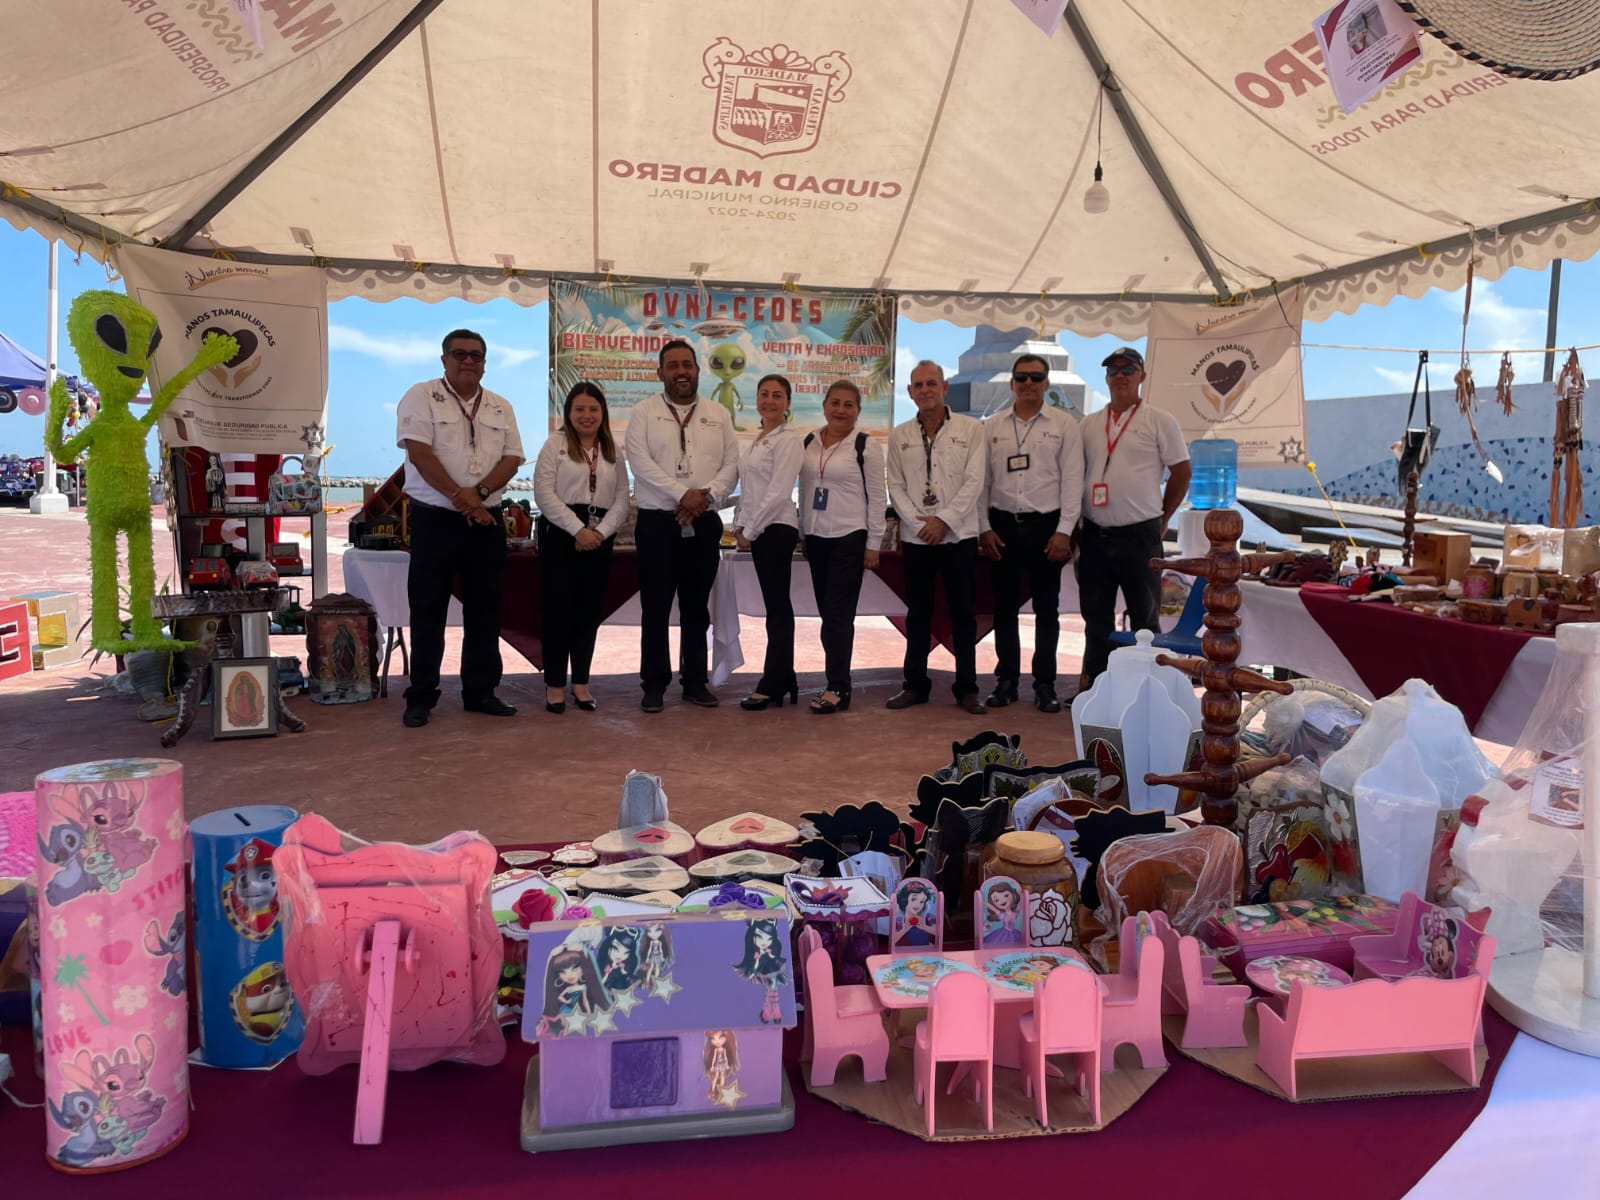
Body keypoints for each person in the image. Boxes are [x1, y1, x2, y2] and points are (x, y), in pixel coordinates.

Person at [394, 329, 524, 728]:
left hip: (485, 521)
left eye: (476, 356)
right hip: (435, 520)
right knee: (428, 611)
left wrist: (478, 494)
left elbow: (512, 459)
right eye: (460, 354)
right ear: (444, 359)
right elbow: (419, 453)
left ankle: (480, 692)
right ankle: (421, 696)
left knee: (485, 611)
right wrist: (461, 498)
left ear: (484, 363)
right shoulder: (421, 396)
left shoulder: (500, 405)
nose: (468, 361)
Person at [624, 339, 740, 712]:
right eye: (672, 366)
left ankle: (694, 682)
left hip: (703, 522)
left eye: (687, 365)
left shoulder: (718, 414)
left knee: (696, 609)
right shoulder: (643, 412)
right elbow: (640, 463)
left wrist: (706, 497)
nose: (681, 372)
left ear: (697, 370)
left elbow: (732, 464)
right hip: (657, 523)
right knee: (655, 608)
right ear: (660, 372)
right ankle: (654, 684)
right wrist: (682, 494)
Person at [1076, 346, 1191, 689]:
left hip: (1140, 537)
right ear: (1106, 378)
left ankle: (1149, 689)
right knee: (1095, 619)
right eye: (1113, 370)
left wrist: (1163, 518)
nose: (1120, 376)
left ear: (1142, 376)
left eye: (1128, 369)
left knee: (1145, 620)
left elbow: (1182, 472)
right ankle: (1095, 688)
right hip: (1094, 535)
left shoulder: (1159, 420)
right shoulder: (1089, 424)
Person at [977, 353, 1084, 712]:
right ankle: (1006, 681)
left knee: (1047, 611)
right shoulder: (990, 427)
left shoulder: (1064, 425)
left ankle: (1044, 684)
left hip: (1046, 527)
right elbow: (981, 483)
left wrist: (1064, 531)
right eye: (1021, 377)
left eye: (1036, 378)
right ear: (1011, 383)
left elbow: (1073, 482)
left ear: (1046, 384)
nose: (1028, 383)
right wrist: (984, 528)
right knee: (1004, 609)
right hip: (1002, 526)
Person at [885, 360, 987, 714]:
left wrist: (943, 520)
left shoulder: (971, 429)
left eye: (931, 383)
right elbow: (896, 487)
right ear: (910, 392)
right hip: (917, 539)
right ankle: (914, 685)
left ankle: (967, 688)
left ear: (944, 388)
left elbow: (975, 481)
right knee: (918, 614)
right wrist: (920, 525)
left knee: (963, 614)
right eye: (918, 385)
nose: (925, 390)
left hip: (958, 536)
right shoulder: (899, 435)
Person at [533, 381, 627, 713]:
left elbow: (622, 500)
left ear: (603, 413)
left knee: (589, 613)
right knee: (558, 612)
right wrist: (577, 529)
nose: (587, 415)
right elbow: (543, 494)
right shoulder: (554, 445)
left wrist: (599, 532)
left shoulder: (612, 451)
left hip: (600, 535)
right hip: (561, 533)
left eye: (593, 409)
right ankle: (555, 685)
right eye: (580, 409)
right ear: (568, 413)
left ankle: (581, 684)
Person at [798, 379, 887, 715]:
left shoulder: (866, 446)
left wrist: (873, 543)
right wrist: (803, 532)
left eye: (848, 405)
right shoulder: (809, 441)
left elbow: (877, 498)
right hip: (815, 539)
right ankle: (835, 680)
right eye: (835, 403)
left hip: (849, 538)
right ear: (824, 405)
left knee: (838, 616)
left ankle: (838, 686)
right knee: (828, 616)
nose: (840, 410)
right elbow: (805, 490)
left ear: (858, 411)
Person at [732, 374, 805, 710]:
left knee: (777, 608)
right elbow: (749, 491)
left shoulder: (789, 440)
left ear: (787, 403)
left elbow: (778, 492)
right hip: (761, 529)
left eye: (777, 395)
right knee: (775, 607)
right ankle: (784, 677)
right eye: (764, 394)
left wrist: (751, 530)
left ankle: (773, 682)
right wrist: (739, 525)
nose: (770, 400)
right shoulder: (756, 440)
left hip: (776, 528)